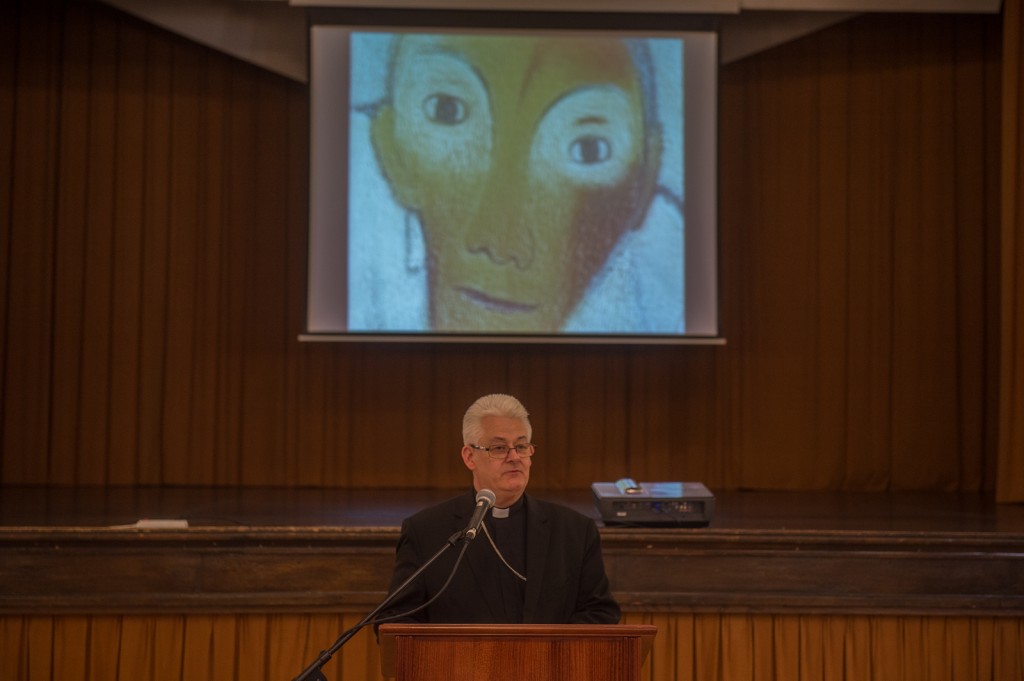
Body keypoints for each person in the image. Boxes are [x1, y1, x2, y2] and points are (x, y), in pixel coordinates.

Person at [349, 32, 684, 334]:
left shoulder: (670, 285)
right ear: (390, 147)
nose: (501, 245)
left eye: (588, 149)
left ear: (643, 183)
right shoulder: (350, 218)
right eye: (448, 110)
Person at [374, 393, 620, 626]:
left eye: (521, 446)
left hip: (550, 659)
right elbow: (396, 620)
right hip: (461, 659)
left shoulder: (574, 531)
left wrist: (550, 650)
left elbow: (600, 613)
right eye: (499, 448)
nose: (514, 457)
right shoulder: (426, 531)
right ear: (469, 457)